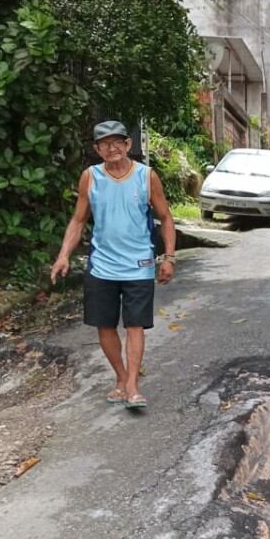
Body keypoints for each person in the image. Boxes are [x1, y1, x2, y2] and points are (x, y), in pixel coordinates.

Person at [50, 120, 176, 410]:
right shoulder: (90, 177)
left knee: (135, 325)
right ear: (97, 149)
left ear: (128, 144)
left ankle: (132, 385)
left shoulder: (146, 176)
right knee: (104, 325)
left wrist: (169, 257)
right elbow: (78, 220)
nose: (112, 148)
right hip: (102, 265)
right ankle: (120, 377)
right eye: (105, 143)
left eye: (118, 141)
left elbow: (166, 217)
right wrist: (63, 254)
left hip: (139, 264)